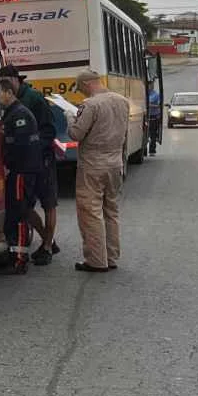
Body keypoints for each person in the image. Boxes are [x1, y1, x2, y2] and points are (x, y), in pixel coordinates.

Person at [68, 69, 130, 273]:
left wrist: (70, 118)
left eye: (80, 89)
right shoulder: (122, 101)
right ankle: (111, 257)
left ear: (87, 84)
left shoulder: (90, 105)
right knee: (111, 210)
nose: (81, 93)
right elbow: (125, 133)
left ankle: (96, 260)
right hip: (115, 163)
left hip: (92, 165)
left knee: (90, 212)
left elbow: (76, 134)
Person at [0, 64, 59, 264]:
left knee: (48, 202)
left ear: (15, 80)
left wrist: (34, 149)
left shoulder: (34, 98)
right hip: (26, 163)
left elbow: (49, 131)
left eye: (4, 82)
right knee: (24, 206)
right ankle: (48, 239)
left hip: (42, 159)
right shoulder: (7, 105)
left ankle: (47, 247)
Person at [0, 77, 43, 274]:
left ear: (9, 93)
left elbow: (21, 147)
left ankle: (19, 260)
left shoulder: (19, 115)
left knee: (19, 214)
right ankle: (14, 256)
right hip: (19, 171)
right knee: (14, 213)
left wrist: (8, 165)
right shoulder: (12, 113)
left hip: (22, 171)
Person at [147, 85, 161, 155]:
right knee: (145, 134)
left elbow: (158, 105)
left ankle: (152, 150)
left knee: (153, 134)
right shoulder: (143, 93)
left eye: (150, 84)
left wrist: (148, 105)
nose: (148, 86)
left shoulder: (155, 95)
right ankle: (144, 151)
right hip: (145, 116)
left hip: (153, 117)